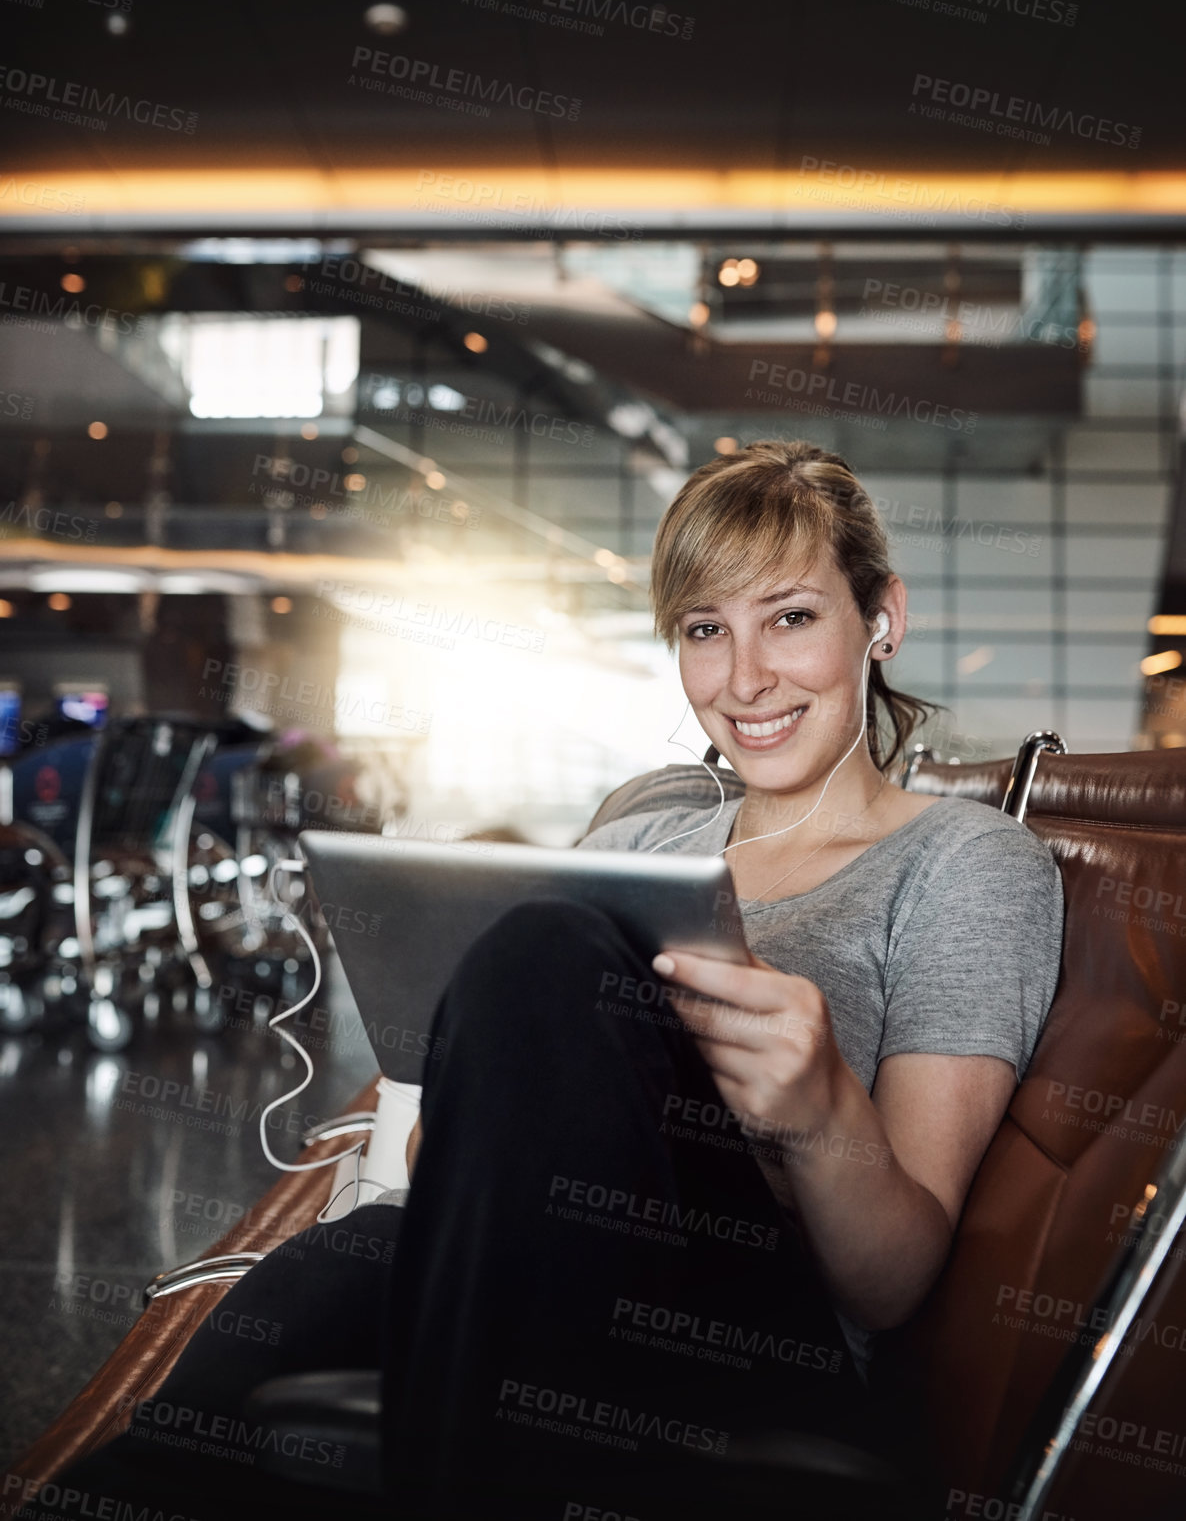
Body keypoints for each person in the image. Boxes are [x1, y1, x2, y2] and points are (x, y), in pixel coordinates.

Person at [53, 440, 1063, 1521]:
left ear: (881, 619)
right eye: (704, 630)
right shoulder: (648, 830)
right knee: (324, 1284)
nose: (745, 677)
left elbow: (893, 1282)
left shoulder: (964, 863)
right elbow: (454, 1158)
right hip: (532, 1271)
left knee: (542, 954)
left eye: (791, 616)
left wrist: (818, 1107)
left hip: (755, 1328)